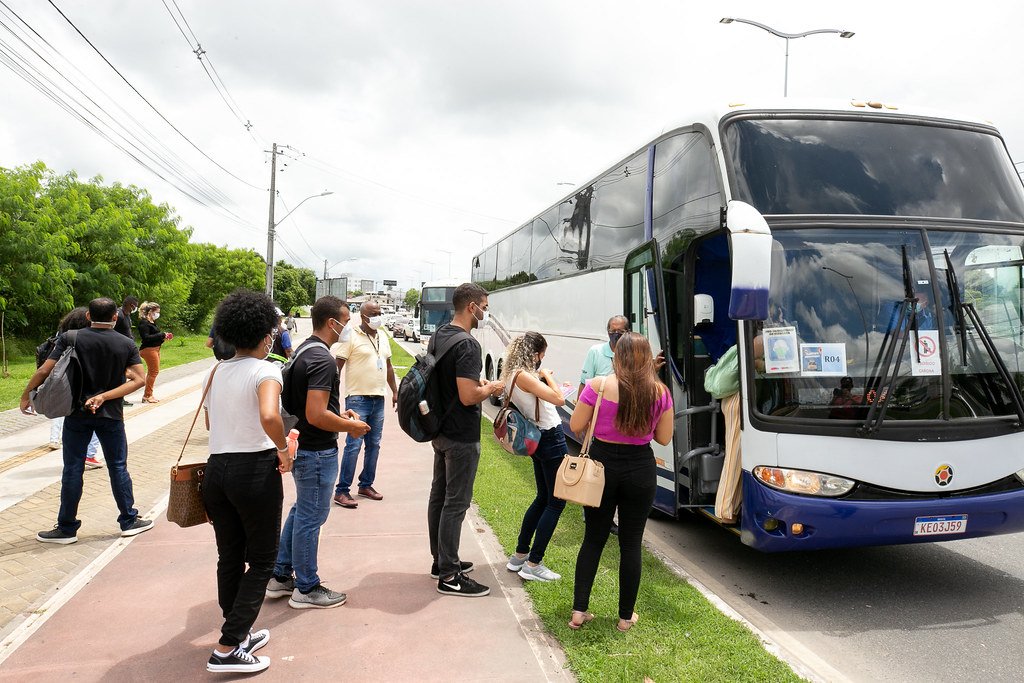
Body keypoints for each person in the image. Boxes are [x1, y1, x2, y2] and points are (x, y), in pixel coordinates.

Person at [201, 290, 292, 674]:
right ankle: (226, 648)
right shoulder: (266, 370)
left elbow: (210, 422)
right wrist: (284, 448)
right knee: (263, 560)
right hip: (253, 471)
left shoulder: (216, 370)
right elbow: (271, 417)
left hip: (216, 471)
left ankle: (236, 631)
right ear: (264, 335)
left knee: (230, 556)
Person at [266, 296, 370, 610]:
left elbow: (316, 407)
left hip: (304, 447)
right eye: (346, 322)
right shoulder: (323, 359)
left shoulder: (302, 351)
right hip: (317, 450)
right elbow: (316, 413)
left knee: (302, 511)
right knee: (312, 518)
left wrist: (341, 415)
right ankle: (307, 588)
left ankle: (281, 576)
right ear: (331, 322)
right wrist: (350, 428)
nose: (347, 328)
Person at [20, 297, 152, 544]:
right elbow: (139, 380)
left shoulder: (70, 337)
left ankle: (66, 528)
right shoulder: (126, 343)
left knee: (72, 469)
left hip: (76, 414)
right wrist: (104, 396)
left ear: (89, 316)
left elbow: (45, 370)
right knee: (117, 466)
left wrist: (27, 395)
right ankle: (128, 520)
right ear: (115, 317)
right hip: (111, 415)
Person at [568, 332, 674, 632]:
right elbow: (664, 438)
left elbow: (576, 425)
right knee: (631, 544)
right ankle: (625, 618)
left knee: (593, 538)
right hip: (640, 468)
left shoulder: (597, 386)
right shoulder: (660, 393)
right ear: (646, 359)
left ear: (617, 356)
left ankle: (579, 611)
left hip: (601, 468)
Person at [427, 283, 505, 597]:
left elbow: (452, 382)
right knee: (455, 504)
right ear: (472, 307)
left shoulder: (440, 334)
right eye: (485, 306)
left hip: (440, 430)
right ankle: (449, 576)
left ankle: (441, 560)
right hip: (461, 435)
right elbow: (469, 395)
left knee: (439, 497)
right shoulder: (469, 345)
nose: (486, 311)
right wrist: (492, 388)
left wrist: (478, 383)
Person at [501, 332, 569, 582]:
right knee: (556, 501)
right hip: (550, 437)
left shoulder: (510, 375)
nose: (542, 359)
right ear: (534, 354)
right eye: (542, 354)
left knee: (542, 498)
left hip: (537, 438)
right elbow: (559, 399)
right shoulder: (525, 377)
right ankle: (533, 564)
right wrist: (549, 377)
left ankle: (519, 555)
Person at [332, 301, 399, 508]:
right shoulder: (351, 336)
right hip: (357, 399)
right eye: (373, 313)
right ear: (363, 316)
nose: (378, 316)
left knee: (374, 445)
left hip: (378, 399)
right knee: (353, 446)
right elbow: (337, 367)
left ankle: (366, 485)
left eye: (380, 312)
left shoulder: (383, 336)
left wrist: (395, 391)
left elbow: (387, 366)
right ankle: (342, 491)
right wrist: (332, 396)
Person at [44, 307, 104, 468]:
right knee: (93, 420)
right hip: (87, 390)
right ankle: (89, 455)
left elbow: (46, 368)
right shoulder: (90, 339)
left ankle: (54, 438)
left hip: (63, 385)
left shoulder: (63, 337)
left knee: (61, 413)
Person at [576, 315, 630, 402]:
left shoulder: (633, 353)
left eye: (620, 331)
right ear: (608, 332)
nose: (616, 334)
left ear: (627, 332)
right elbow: (584, 383)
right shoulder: (595, 351)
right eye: (612, 331)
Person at [137, 301, 172, 403]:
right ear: (151, 311)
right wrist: (161, 335)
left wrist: (164, 337)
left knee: (152, 372)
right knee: (154, 372)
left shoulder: (152, 322)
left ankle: (147, 394)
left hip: (155, 349)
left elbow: (154, 337)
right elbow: (146, 338)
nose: (158, 314)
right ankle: (148, 395)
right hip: (148, 350)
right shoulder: (144, 323)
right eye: (157, 312)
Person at [113, 295, 138, 406]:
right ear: (131, 305)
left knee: (122, 375)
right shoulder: (119, 315)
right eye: (135, 306)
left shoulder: (126, 315)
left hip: (125, 349)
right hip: (118, 349)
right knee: (119, 375)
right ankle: (117, 398)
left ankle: (120, 397)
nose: (135, 308)